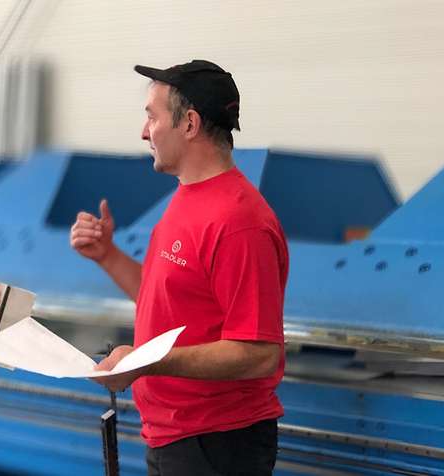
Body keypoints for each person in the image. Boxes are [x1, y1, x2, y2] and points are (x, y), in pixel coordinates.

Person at [70, 60, 289, 476]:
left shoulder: (239, 222)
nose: (143, 132)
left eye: (152, 117)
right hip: (177, 436)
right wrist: (108, 255)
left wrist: (145, 363)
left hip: (218, 444)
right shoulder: (188, 199)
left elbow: (259, 354)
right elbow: (169, 302)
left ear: (189, 124)